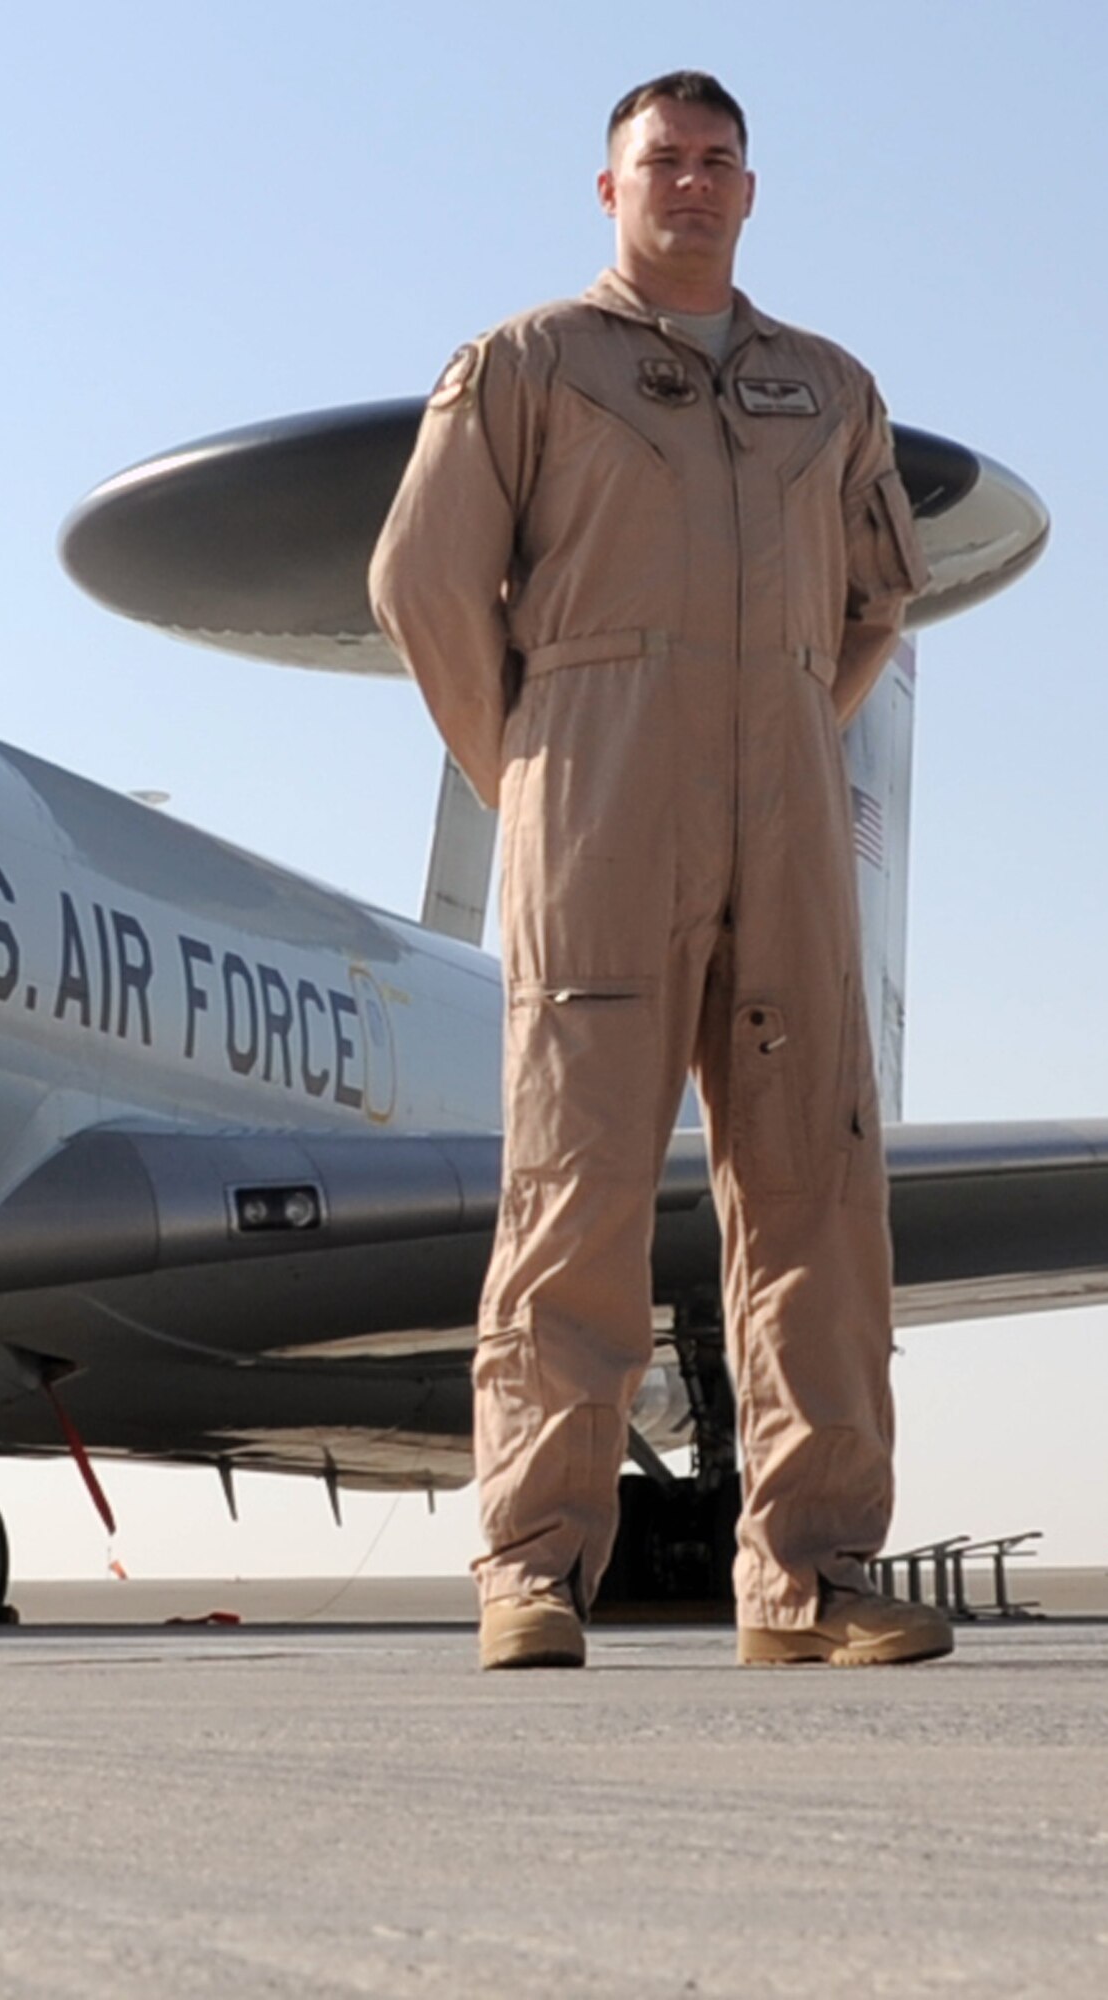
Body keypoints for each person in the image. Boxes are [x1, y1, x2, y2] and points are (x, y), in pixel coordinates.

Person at [370, 71, 953, 1669]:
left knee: (817, 1192)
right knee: (575, 1189)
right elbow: (421, 586)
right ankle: (534, 1569)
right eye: (659, 163)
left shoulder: (827, 388)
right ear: (608, 191)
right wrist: (540, 770)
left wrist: (775, 731)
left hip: (783, 813)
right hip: (593, 802)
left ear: (748, 193)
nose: (687, 185)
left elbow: (876, 606)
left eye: (714, 163)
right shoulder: (528, 365)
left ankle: (813, 1579)